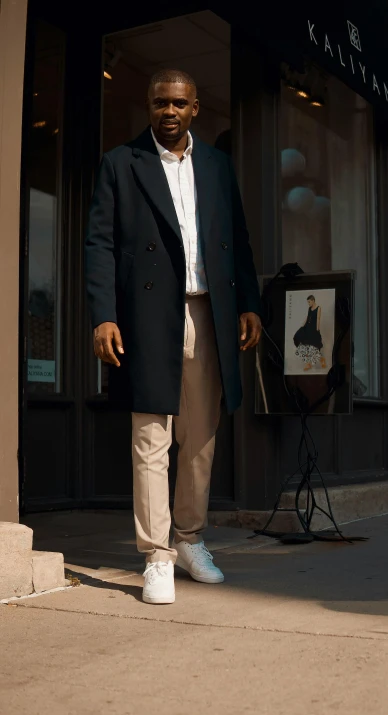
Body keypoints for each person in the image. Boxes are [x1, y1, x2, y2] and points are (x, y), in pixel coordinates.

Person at [84, 69, 262, 604]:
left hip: (209, 312)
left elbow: (238, 240)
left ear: (195, 108)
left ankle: (189, 538)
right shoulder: (120, 163)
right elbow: (99, 244)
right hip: (146, 314)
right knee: (151, 437)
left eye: (179, 104)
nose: (169, 111)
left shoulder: (216, 165)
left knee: (201, 437)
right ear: (148, 106)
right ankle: (156, 554)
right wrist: (103, 314)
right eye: (160, 102)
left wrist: (249, 303)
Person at [293, 295, 326, 371]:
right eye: (308, 302)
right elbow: (307, 317)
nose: (308, 303)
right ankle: (308, 363)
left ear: (313, 300)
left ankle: (321, 360)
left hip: (313, 329)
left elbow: (318, 319)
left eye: (309, 302)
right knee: (304, 345)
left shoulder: (318, 308)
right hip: (307, 328)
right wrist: (302, 326)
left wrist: (317, 330)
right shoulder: (309, 308)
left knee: (313, 347)